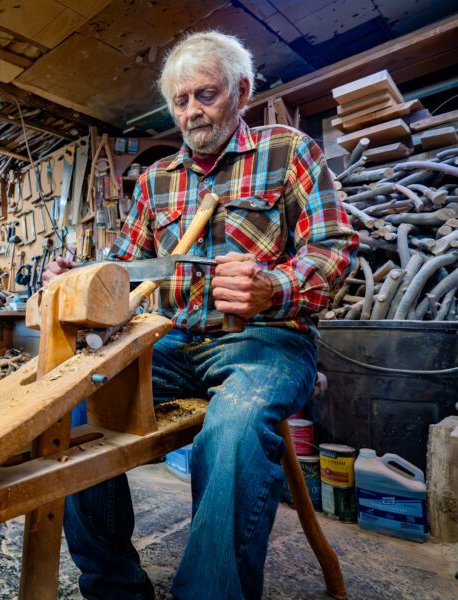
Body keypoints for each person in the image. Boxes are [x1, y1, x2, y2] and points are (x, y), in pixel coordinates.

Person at [41, 31, 358, 600]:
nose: (192, 112)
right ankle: (115, 587)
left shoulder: (288, 152)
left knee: (232, 432)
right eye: (180, 101)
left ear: (241, 89)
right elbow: (128, 265)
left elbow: (334, 250)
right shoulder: (156, 181)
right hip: (170, 341)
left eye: (205, 95)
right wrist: (80, 276)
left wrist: (274, 286)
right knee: (75, 406)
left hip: (266, 340)